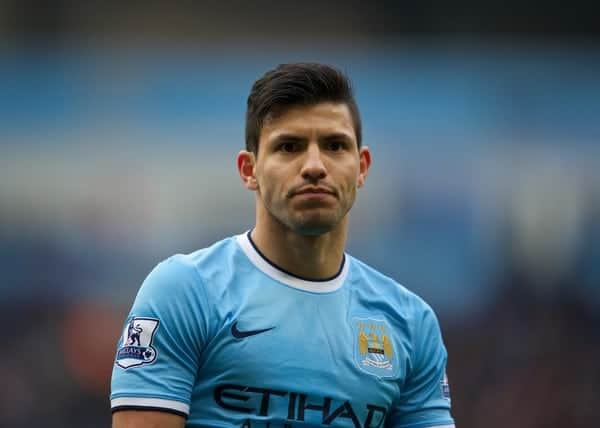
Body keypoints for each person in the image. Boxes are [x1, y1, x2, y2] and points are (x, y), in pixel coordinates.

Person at [110, 62, 455, 428]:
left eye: (335, 145)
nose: (314, 166)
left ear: (362, 167)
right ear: (249, 170)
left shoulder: (410, 322)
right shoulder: (185, 291)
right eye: (289, 147)